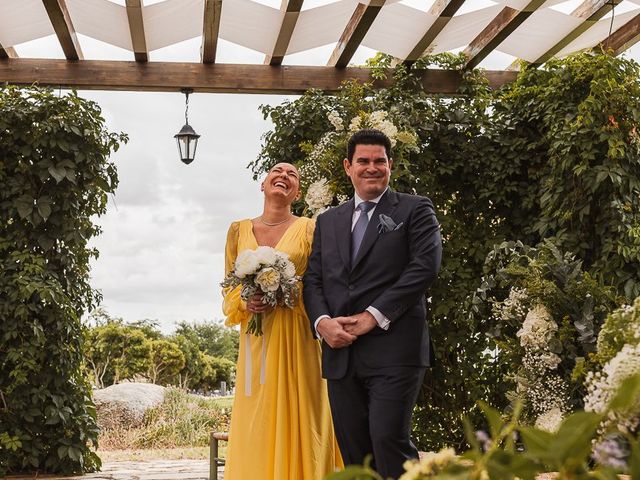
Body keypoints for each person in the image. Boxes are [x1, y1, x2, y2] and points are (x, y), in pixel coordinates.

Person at [303, 129, 442, 479]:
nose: (372, 167)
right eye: (363, 161)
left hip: (395, 351)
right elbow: (314, 279)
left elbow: (424, 266)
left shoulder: (415, 209)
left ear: (391, 165)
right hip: (341, 354)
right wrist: (322, 323)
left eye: (379, 161)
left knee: (389, 441)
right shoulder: (328, 221)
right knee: (355, 457)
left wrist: (372, 316)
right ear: (348, 166)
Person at [222, 162, 342, 480]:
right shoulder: (237, 230)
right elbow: (229, 289)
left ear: (297, 192)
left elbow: (324, 285)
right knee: (257, 418)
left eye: (292, 175)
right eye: (277, 171)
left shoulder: (310, 229)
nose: (284, 176)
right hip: (257, 338)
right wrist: (245, 300)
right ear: (263, 185)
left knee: (305, 416)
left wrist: (287, 290)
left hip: (299, 334)